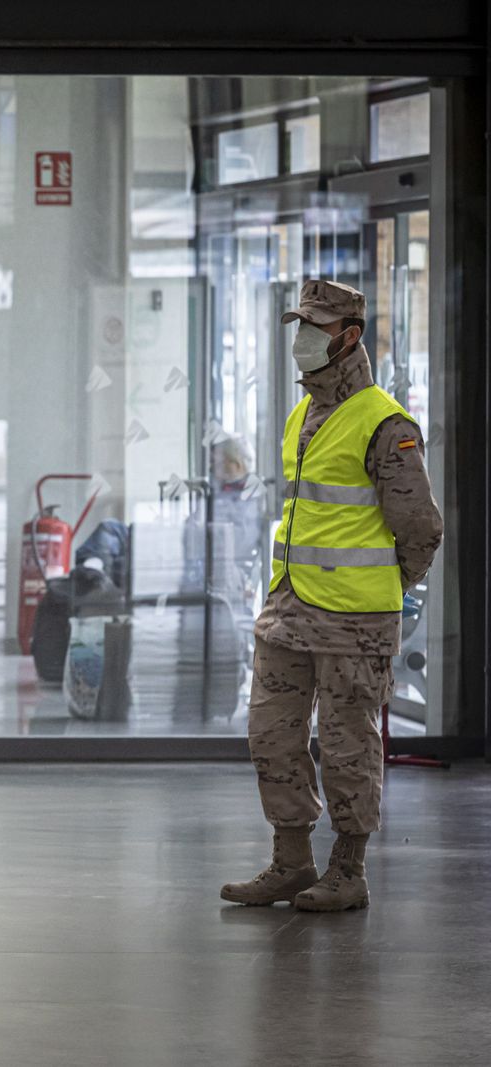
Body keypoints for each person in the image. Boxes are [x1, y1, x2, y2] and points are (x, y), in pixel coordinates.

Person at [221, 279, 442, 912]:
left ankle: (348, 871)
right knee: (272, 735)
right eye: (300, 326)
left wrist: (383, 589)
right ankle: (291, 862)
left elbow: (421, 529)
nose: (302, 340)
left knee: (348, 744)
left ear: (349, 337)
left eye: (315, 328)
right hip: (288, 609)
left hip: (354, 620)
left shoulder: (385, 422)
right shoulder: (304, 412)